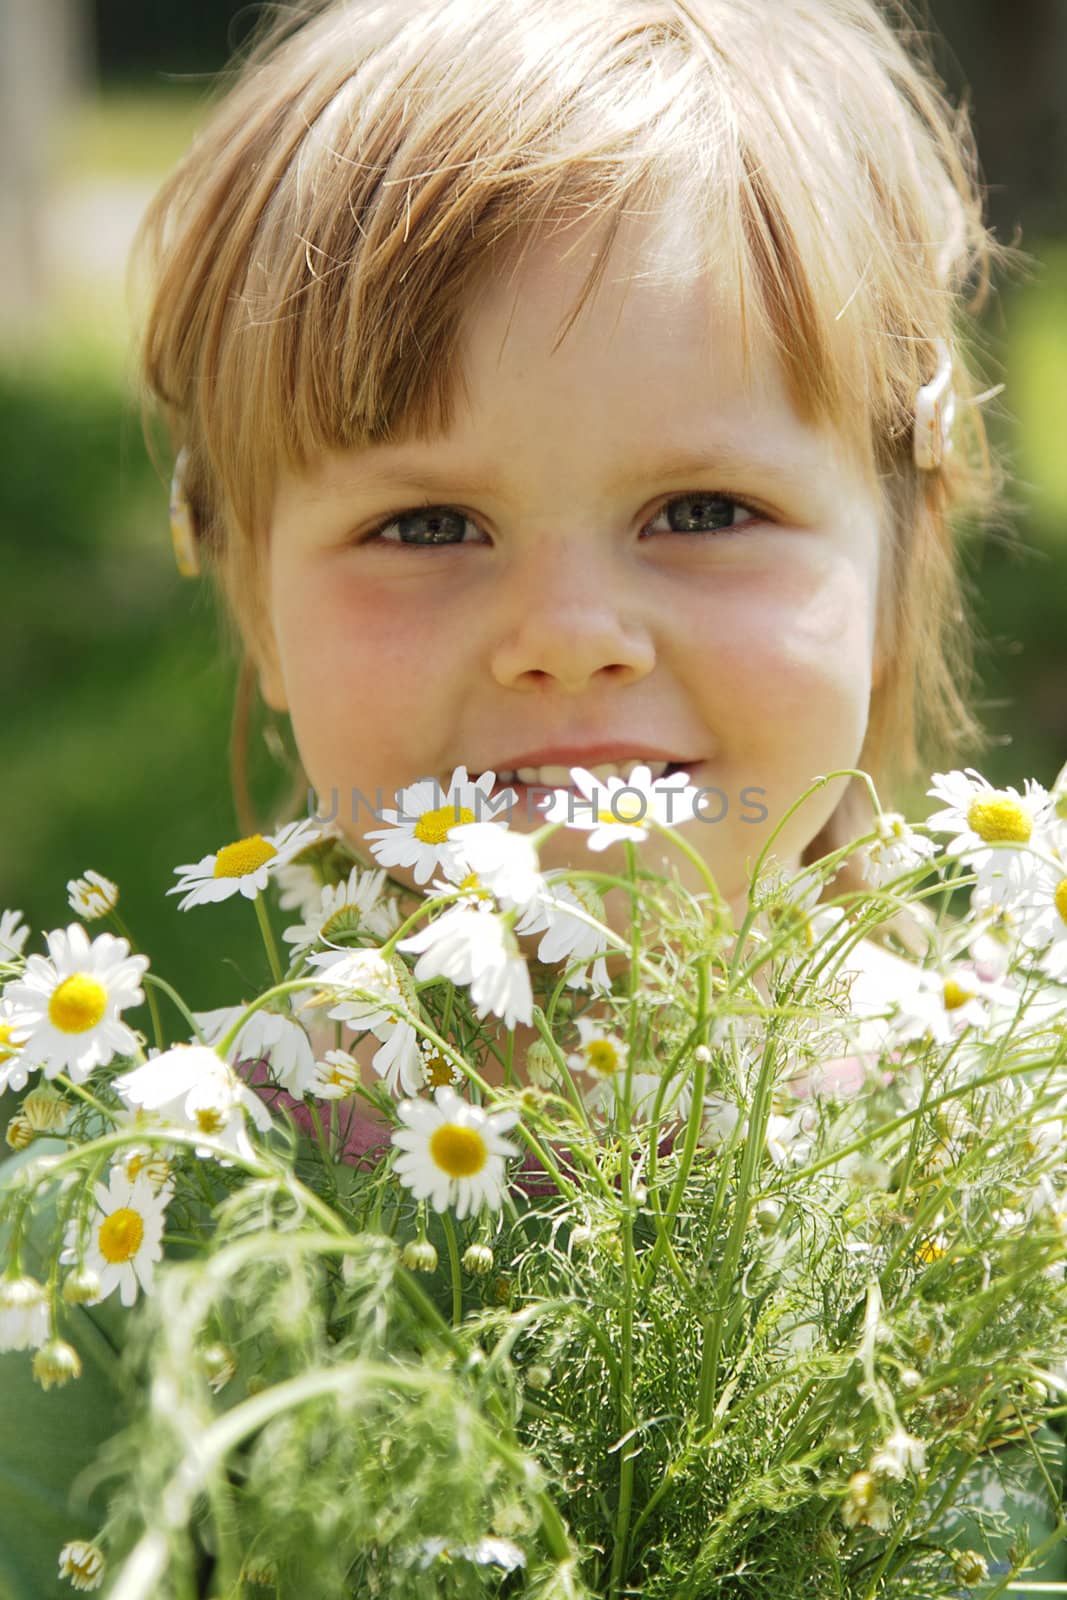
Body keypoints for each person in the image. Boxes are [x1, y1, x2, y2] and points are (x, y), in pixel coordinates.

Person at [1, 0, 1061, 1592]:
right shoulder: (138, 1225)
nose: (568, 636)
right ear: (248, 594)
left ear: (903, 561)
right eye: (428, 525)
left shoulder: (1008, 1194)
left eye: (704, 507)